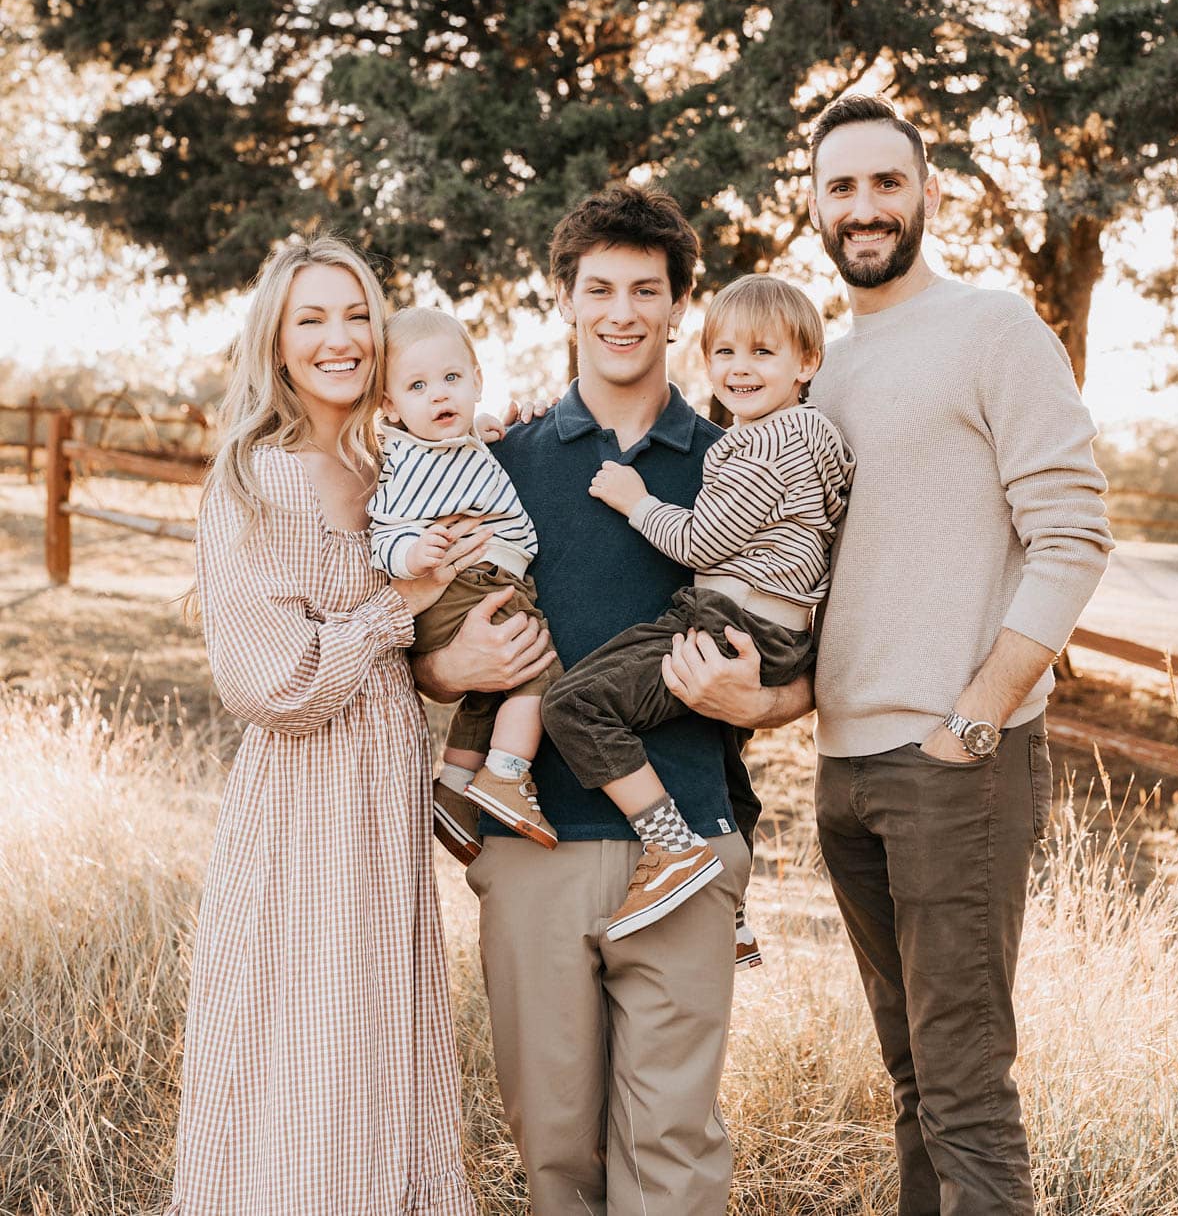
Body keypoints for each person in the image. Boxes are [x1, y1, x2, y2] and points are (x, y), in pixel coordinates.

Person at [412, 184, 813, 1215]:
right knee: (554, 1157)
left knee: (671, 1159)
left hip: (685, 837)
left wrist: (761, 704)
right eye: (601, 289)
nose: (623, 311)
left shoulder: (743, 462)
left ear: (682, 305)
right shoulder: (499, 463)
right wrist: (453, 671)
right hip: (533, 848)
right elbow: (422, 645)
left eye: (648, 289)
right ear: (566, 300)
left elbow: (813, 654)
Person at [806, 94, 1114, 1215]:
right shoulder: (821, 373)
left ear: (928, 194)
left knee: (968, 1094)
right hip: (845, 776)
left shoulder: (996, 331)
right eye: (842, 186)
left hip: (955, 769)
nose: (866, 207)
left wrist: (975, 715)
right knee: (914, 1085)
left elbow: (1074, 536)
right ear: (814, 205)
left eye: (887, 182)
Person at [169, 236, 482, 1216]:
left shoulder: (406, 464)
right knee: (296, 1032)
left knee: (384, 1026)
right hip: (303, 791)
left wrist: (445, 656)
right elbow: (271, 682)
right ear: (278, 341)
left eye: (356, 315)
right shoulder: (254, 479)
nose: (340, 338)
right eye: (312, 318)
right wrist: (396, 610)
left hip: (387, 780)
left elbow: (431, 640)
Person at [542, 273, 854, 941]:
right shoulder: (822, 439)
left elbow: (700, 539)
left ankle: (670, 847)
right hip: (780, 635)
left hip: (728, 622)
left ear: (807, 362)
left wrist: (635, 499)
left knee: (575, 703)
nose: (740, 369)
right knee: (725, 758)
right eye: (725, 353)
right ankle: (734, 914)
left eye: (763, 353)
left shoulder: (757, 446)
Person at [368, 305, 562, 850]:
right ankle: (505, 773)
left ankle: (453, 788)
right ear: (391, 404)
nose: (438, 395)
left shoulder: (457, 443)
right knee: (537, 669)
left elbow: (461, 448)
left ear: (477, 381)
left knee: (490, 691)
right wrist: (414, 554)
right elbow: (382, 536)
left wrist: (478, 428)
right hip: (464, 585)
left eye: (452, 379)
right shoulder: (403, 459)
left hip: (487, 581)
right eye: (418, 385)